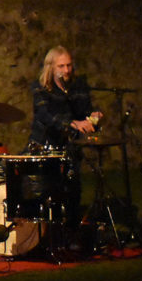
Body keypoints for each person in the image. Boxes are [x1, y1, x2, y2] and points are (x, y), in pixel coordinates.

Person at [29, 45, 102, 231]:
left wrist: (93, 117)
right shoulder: (40, 88)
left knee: (73, 190)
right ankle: (45, 231)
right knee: (46, 189)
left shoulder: (77, 87)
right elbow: (45, 115)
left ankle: (71, 231)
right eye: (61, 66)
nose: (66, 70)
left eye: (69, 65)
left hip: (70, 146)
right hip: (45, 144)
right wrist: (72, 124)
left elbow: (83, 111)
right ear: (51, 67)